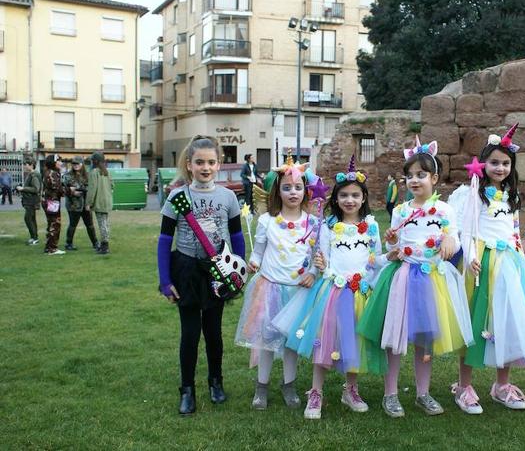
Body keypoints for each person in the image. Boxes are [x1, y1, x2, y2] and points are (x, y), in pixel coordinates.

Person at [448, 125, 525, 414]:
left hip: (509, 265)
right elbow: (464, 229)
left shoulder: (510, 195)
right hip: (482, 263)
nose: (500, 168)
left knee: (507, 322)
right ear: (483, 164)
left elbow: (514, 230)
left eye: (506, 163)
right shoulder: (472, 193)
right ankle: (464, 385)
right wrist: (469, 256)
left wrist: (520, 257)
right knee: (475, 321)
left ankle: (501, 384)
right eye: (494, 162)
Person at [357, 138, 474, 418]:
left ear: (434, 178)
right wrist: (391, 241)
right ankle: (391, 393)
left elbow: (454, 240)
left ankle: (423, 392)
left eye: (421, 175)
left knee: (425, 340)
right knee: (395, 338)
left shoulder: (445, 210)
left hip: (432, 281)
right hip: (404, 278)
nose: (414, 180)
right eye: (409, 176)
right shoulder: (400, 210)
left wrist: (448, 239)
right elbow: (392, 246)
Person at [273, 156, 393, 419]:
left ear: (363, 198)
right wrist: (321, 264)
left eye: (355, 195)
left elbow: (375, 260)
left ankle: (351, 389)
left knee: (354, 341)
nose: (349, 200)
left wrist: (390, 256)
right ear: (336, 199)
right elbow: (323, 256)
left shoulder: (371, 226)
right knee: (324, 343)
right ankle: (316, 392)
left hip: (360, 291)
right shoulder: (328, 226)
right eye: (344, 196)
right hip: (332, 291)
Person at [157, 135, 246, 415]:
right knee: (190, 334)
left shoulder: (228, 197)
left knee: (214, 333)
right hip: (186, 270)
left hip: (217, 272)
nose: (205, 167)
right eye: (199, 162)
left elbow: (236, 235)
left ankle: (215, 382)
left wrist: (238, 269)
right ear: (189, 164)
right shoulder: (177, 197)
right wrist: (165, 280)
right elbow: (163, 240)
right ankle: (187, 390)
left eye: (210, 162)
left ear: (218, 164)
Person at [234, 153, 317, 411]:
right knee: (267, 341)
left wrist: (312, 271)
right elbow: (258, 251)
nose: (293, 192)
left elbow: (315, 256)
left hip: (297, 291)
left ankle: (289, 384)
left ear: (305, 191)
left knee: (292, 341)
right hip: (269, 288)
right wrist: (254, 261)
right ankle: (262, 386)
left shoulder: (312, 223)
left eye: (298, 187)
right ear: (277, 191)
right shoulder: (267, 222)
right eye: (287, 188)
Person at [62, 156, 98, 251]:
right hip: (74, 205)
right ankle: (68, 243)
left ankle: (95, 243)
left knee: (90, 225)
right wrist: (72, 192)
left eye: (78, 163)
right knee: (73, 225)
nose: (76, 165)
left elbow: (91, 188)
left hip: (86, 204)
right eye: (74, 163)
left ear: (82, 164)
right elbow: (62, 189)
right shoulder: (67, 175)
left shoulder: (88, 175)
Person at [85, 152, 114, 254]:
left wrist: (88, 203)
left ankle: (104, 246)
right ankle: (105, 244)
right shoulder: (107, 172)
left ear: (95, 161)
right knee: (105, 223)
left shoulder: (94, 173)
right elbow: (112, 186)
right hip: (107, 201)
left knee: (102, 224)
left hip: (99, 202)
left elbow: (92, 189)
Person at [42, 154, 65, 255]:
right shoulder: (53, 173)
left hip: (49, 201)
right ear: (53, 162)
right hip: (52, 202)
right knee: (55, 225)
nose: (61, 163)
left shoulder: (49, 172)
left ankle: (49, 247)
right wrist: (71, 191)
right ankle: (52, 249)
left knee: (51, 224)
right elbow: (59, 189)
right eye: (58, 161)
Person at [17, 158, 42, 245]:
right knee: (31, 219)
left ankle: (34, 238)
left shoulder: (34, 174)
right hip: (30, 200)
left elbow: (36, 189)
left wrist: (23, 188)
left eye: (26, 164)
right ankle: (34, 237)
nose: (24, 166)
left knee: (28, 219)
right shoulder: (31, 174)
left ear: (31, 164)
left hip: (32, 201)